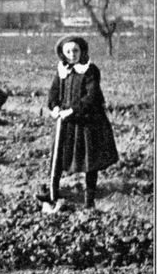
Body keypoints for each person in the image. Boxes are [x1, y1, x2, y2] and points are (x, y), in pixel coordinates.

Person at [41, 35, 119, 208]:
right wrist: (54, 107)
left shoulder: (90, 70)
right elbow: (54, 92)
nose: (72, 54)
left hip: (88, 121)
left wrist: (73, 110)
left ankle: (89, 200)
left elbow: (92, 96)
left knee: (89, 160)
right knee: (58, 155)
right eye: (68, 51)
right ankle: (53, 192)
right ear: (62, 53)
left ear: (81, 51)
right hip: (66, 122)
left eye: (75, 50)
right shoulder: (62, 70)